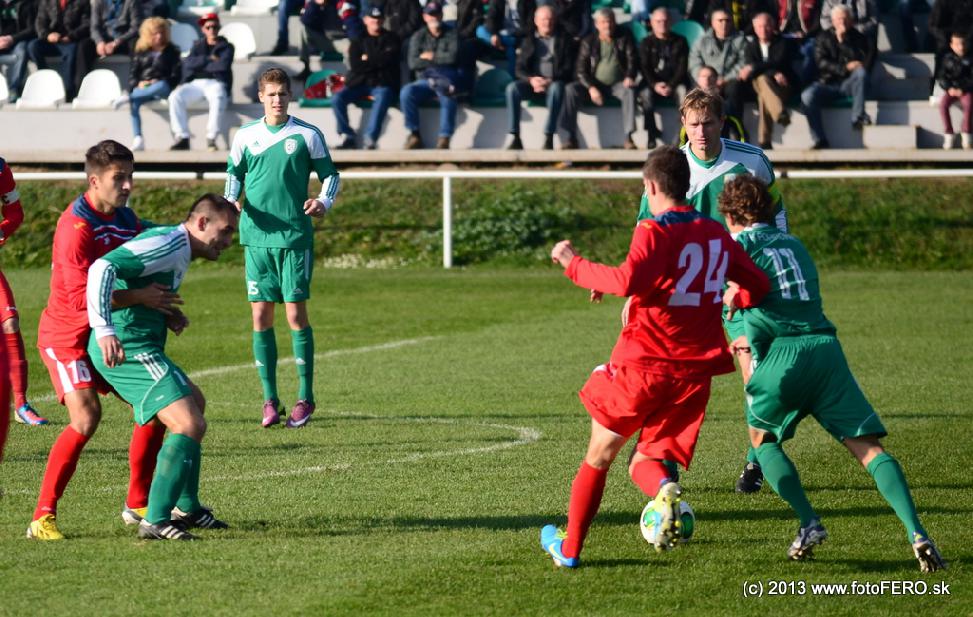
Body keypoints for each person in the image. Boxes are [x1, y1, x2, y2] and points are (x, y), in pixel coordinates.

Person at [540, 146, 769, 567]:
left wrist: (573, 263)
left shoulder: (653, 228)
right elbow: (759, 282)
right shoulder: (715, 232)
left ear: (650, 185)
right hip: (693, 376)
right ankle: (665, 490)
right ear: (687, 184)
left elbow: (628, 278)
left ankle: (569, 551)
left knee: (599, 455)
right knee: (643, 460)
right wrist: (739, 295)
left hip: (645, 365)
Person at [717, 174, 947, 573]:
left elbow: (739, 300)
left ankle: (809, 521)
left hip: (782, 359)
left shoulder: (736, 249)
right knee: (869, 450)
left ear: (731, 215)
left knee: (762, 440)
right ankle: (917, 532)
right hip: (825, 351)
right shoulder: (795, 244)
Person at [28, 140, 179, 540]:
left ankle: (138, 503)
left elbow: (148, 257)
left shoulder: (127, 219)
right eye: (119, 178)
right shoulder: (75, 227)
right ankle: (42, 517)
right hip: (67, 336)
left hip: (104, 333)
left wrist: (165, 306)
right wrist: (140, 297)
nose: (128, 185)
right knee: (86, 417)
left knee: (155, 404)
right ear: (94, 181)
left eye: (131, 176)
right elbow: (81, 297)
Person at [86, 194, 237, 540]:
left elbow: (135, 286)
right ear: (202, 223)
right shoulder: (168, 244)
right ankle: (154, 519)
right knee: (189, 423)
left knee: (195, 404)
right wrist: (105, 330)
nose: (229, 241)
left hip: (143, 343)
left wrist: (168, 313)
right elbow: (101, 269)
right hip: (128, 347)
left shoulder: (179, 247)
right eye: (226, 230)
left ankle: (187, 507)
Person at [224, 68, 340, 429]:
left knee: (294, 316)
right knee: (260, 317)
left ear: (291, 96)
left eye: (282, 94)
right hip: (256, 238)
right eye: (271, 94)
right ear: (261, 97)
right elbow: (234, 175)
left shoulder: (307, 134)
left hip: (293, 237)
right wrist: (231, 204)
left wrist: (323, 201)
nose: (277, 100)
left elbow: (331, 175)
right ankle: (270, 400)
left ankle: (305, 398)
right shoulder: (246, 136)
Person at [0, 157, 47, 427]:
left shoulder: (0, 169)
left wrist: (1, 232)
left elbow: (15, 213)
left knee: (10, 322)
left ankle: (21, 404)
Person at [561, 8, 639, 150]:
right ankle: (571, 137)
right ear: (597, 24)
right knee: (570, 89)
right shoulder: (588, 41)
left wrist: (629, 76)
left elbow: (633, 60)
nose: (607, 25)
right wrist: (591, 87)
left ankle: (629, 137)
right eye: (603, 22)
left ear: (614, 22)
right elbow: (580, 70)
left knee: (630, 91)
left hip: (618, 85)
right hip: (593, 85)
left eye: (610, 21)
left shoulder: (625, 37)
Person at [503, 4, 576, 150]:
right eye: (543, 19)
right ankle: (515, 137)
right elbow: (519, 68)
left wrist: (550, 80)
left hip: (553, 83)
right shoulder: (529, 40)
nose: (547, 22)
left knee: (557, 88)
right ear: (536, 21)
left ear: (555, 20)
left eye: (550, 19)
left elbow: (569, 68)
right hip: (532, 84)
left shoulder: (565, 39)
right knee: (512, 89)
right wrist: (531, 80)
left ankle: (549, 136)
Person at [800, 4, 872, 149]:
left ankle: (858, 117)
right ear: (832, 21)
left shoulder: (859, 39)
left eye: (845, 18)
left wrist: (843, 41)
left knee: (861, 73)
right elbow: (821, 63)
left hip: (848, 84)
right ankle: (819, 139)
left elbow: (859, 62)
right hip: (826, 83)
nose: (842, 22)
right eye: (839, 19)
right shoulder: (822, 38)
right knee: (807, 96)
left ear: (851, 20)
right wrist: (844, 68)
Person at [331, 5, 400, 150]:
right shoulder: (358, 40)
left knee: (384, 95)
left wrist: (367, 58)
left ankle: (370, 138)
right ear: (365, 20)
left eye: (379, 18)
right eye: (372, 18)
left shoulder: (391, 38)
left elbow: (390, 60)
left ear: (383, 20)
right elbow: (356, 65)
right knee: (337, 98)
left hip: (382, 83)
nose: (376, 21)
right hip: (359, 83)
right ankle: (347, 135)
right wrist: (378, 58)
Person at [167, 12, 234, 152]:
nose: (212, 30)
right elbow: (188, 63)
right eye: (208, 27)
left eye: (215, 27)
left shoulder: (227, 46)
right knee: (175, 96)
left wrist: (200, 64)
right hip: (195, 82)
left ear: (219, 27)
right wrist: (209, 59)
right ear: (203, 29)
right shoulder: (197, 45)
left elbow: (222, 66)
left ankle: (211, 137)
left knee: (218, 95)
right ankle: (182, 137)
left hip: (216, 82)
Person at [113, 16, 181, 152]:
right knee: (135, 102)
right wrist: (139, 84)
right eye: (155, 33)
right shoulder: (140, 52)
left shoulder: (172, 51)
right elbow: (133, 75)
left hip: (163, 87)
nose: (159, 36)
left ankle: (128, 97)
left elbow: (175, 76)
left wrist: (157, 81)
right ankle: (138, 138)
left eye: (161, 32)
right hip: (143, 90)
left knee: (160, 86)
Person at [399, 1, 460, 150]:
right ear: (425, 17)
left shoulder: (452, 34)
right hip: (424, 81)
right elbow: (413, 63)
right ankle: (414, 134)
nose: (434, 18)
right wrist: (439, 58)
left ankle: (444, 138)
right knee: (407, 92)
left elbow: (452, 58)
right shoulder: (418, 36)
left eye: (436, 14)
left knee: (448, 94)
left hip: (446, 79)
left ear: (442, 15)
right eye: (430, 15)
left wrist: (430, 57)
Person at [741, 12, 796, 149]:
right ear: (754, 28)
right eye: (759, 26)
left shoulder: (783, 43)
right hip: (759, 85)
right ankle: (779, 114)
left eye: (766, 26)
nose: (763, 30)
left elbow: (779, 62)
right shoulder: (750, 46)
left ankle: (764, 141)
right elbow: (751, 72)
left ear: (772, 27)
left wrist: (755, 67)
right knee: (762, 80)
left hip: (782, 86)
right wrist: (773, 72)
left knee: (764, 94)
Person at [638, 7, 689, 149]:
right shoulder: (646, 42)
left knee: (684, 94)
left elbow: (682, 67)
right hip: (652, 84)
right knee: (645, 95)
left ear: (670, 22)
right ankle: (651, 133)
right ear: (652, 23)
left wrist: (671, 85)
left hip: (675, 83)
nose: (662, 24)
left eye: (665, 21)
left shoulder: (680, 41)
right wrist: (655, 84)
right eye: (658, 21)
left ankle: (681, 136)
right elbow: (644, 67)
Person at [688, 9, 748, 126]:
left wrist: (725, 79)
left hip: (729, 81)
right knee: (693, 93)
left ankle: (735, 127)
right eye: (720, 20)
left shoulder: (740, 40)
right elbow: (694, 63)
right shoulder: (701, 41)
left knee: (735, 89)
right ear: (713, 22)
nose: (724, 23)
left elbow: (743, 63)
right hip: (705, 81)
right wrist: (705, 79)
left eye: (727, 20)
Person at [29, 0, 97, 101]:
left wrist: (70, 36)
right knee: (33, 47)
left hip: (70, 41)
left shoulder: (82, 2)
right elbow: (40, 22)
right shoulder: (46, 2)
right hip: (50, 41)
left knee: (71, 53)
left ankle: (67, 90)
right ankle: (46, 80)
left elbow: (86, 24)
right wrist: (48, 35)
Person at [479, 0, 535, 77]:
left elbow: (530, 26)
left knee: (511, 51)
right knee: (480, 30)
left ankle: (512, 78)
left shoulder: (528, 2)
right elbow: (490, 18)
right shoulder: (498, 1)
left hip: (518, 35)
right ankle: (504, 43)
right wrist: (494, 35)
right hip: (501, 35)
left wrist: (515, 35)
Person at [937, 32, 972, 150]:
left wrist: (963, 89)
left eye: (963, 44)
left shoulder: (970, 59)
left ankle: (967, 133)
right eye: (957, 44)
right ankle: (949, 134)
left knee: (969, 104)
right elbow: (942, 77)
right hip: (951, 90)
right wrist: (949, 88)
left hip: (966, 90)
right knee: (943, 105)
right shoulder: (947, 59)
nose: (961, 47)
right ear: (952, 45)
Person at [0, 0, 37, 102]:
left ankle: (13, 88)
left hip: (17, 41)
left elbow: (31, 29)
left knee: (22, 51)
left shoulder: (26, 4)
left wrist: (12, 38)